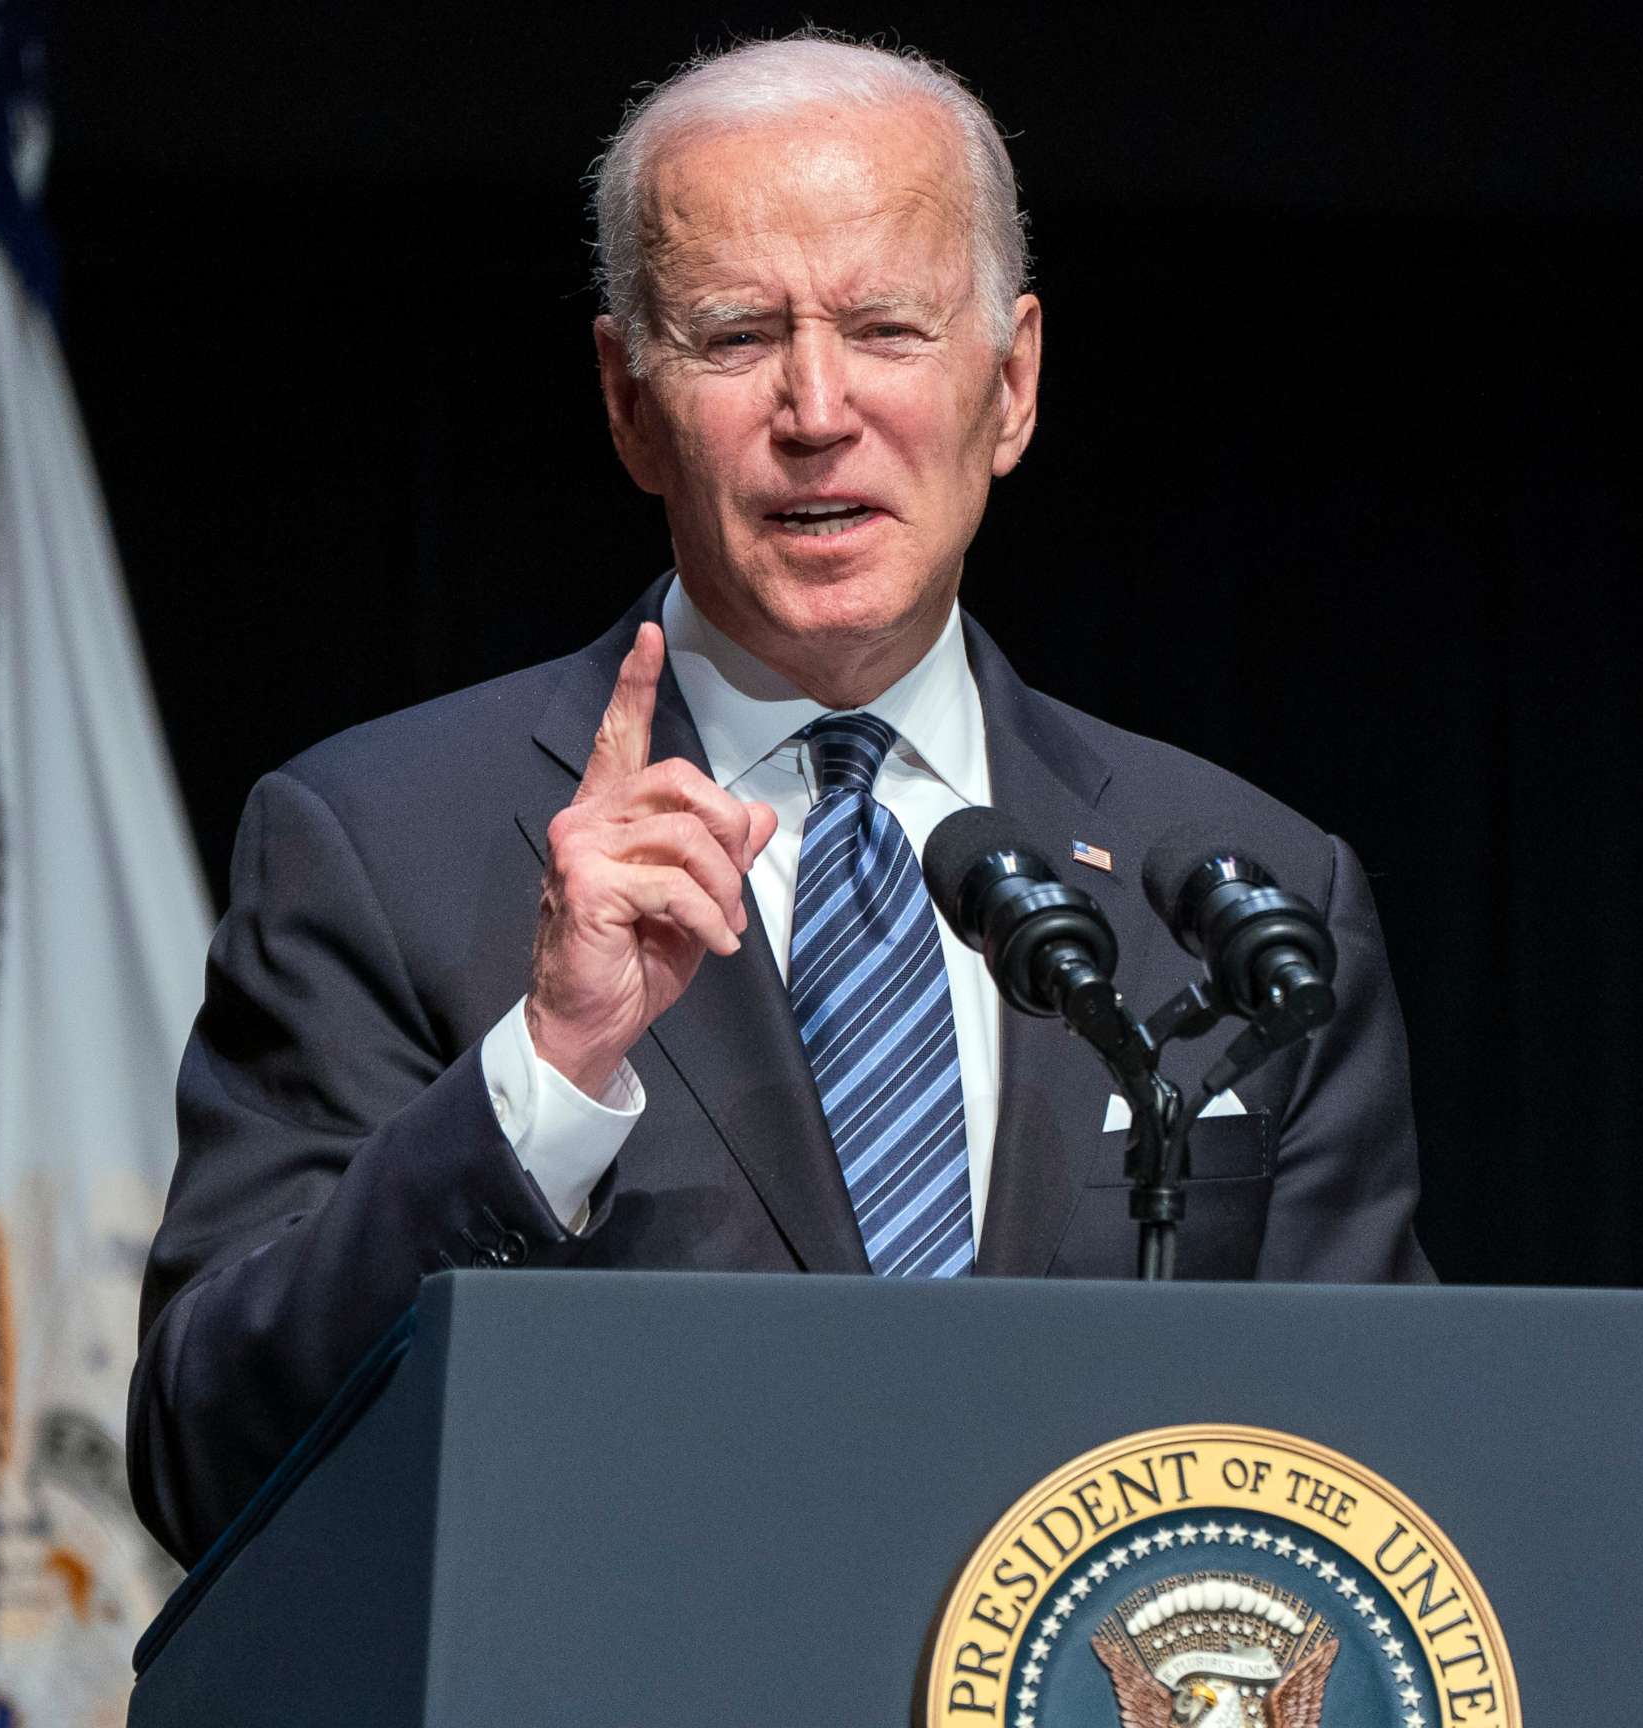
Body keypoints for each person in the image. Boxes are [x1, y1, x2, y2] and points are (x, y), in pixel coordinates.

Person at [128, 32, 1429, 1569]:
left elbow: (1370, 1473)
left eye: (885, 328)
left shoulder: (1245, 885)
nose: (818, 409)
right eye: (740, 337)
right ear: (627, 401)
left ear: (1008, 387)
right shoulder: (379, 845)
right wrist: (543, 1074)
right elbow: (204, 1454)